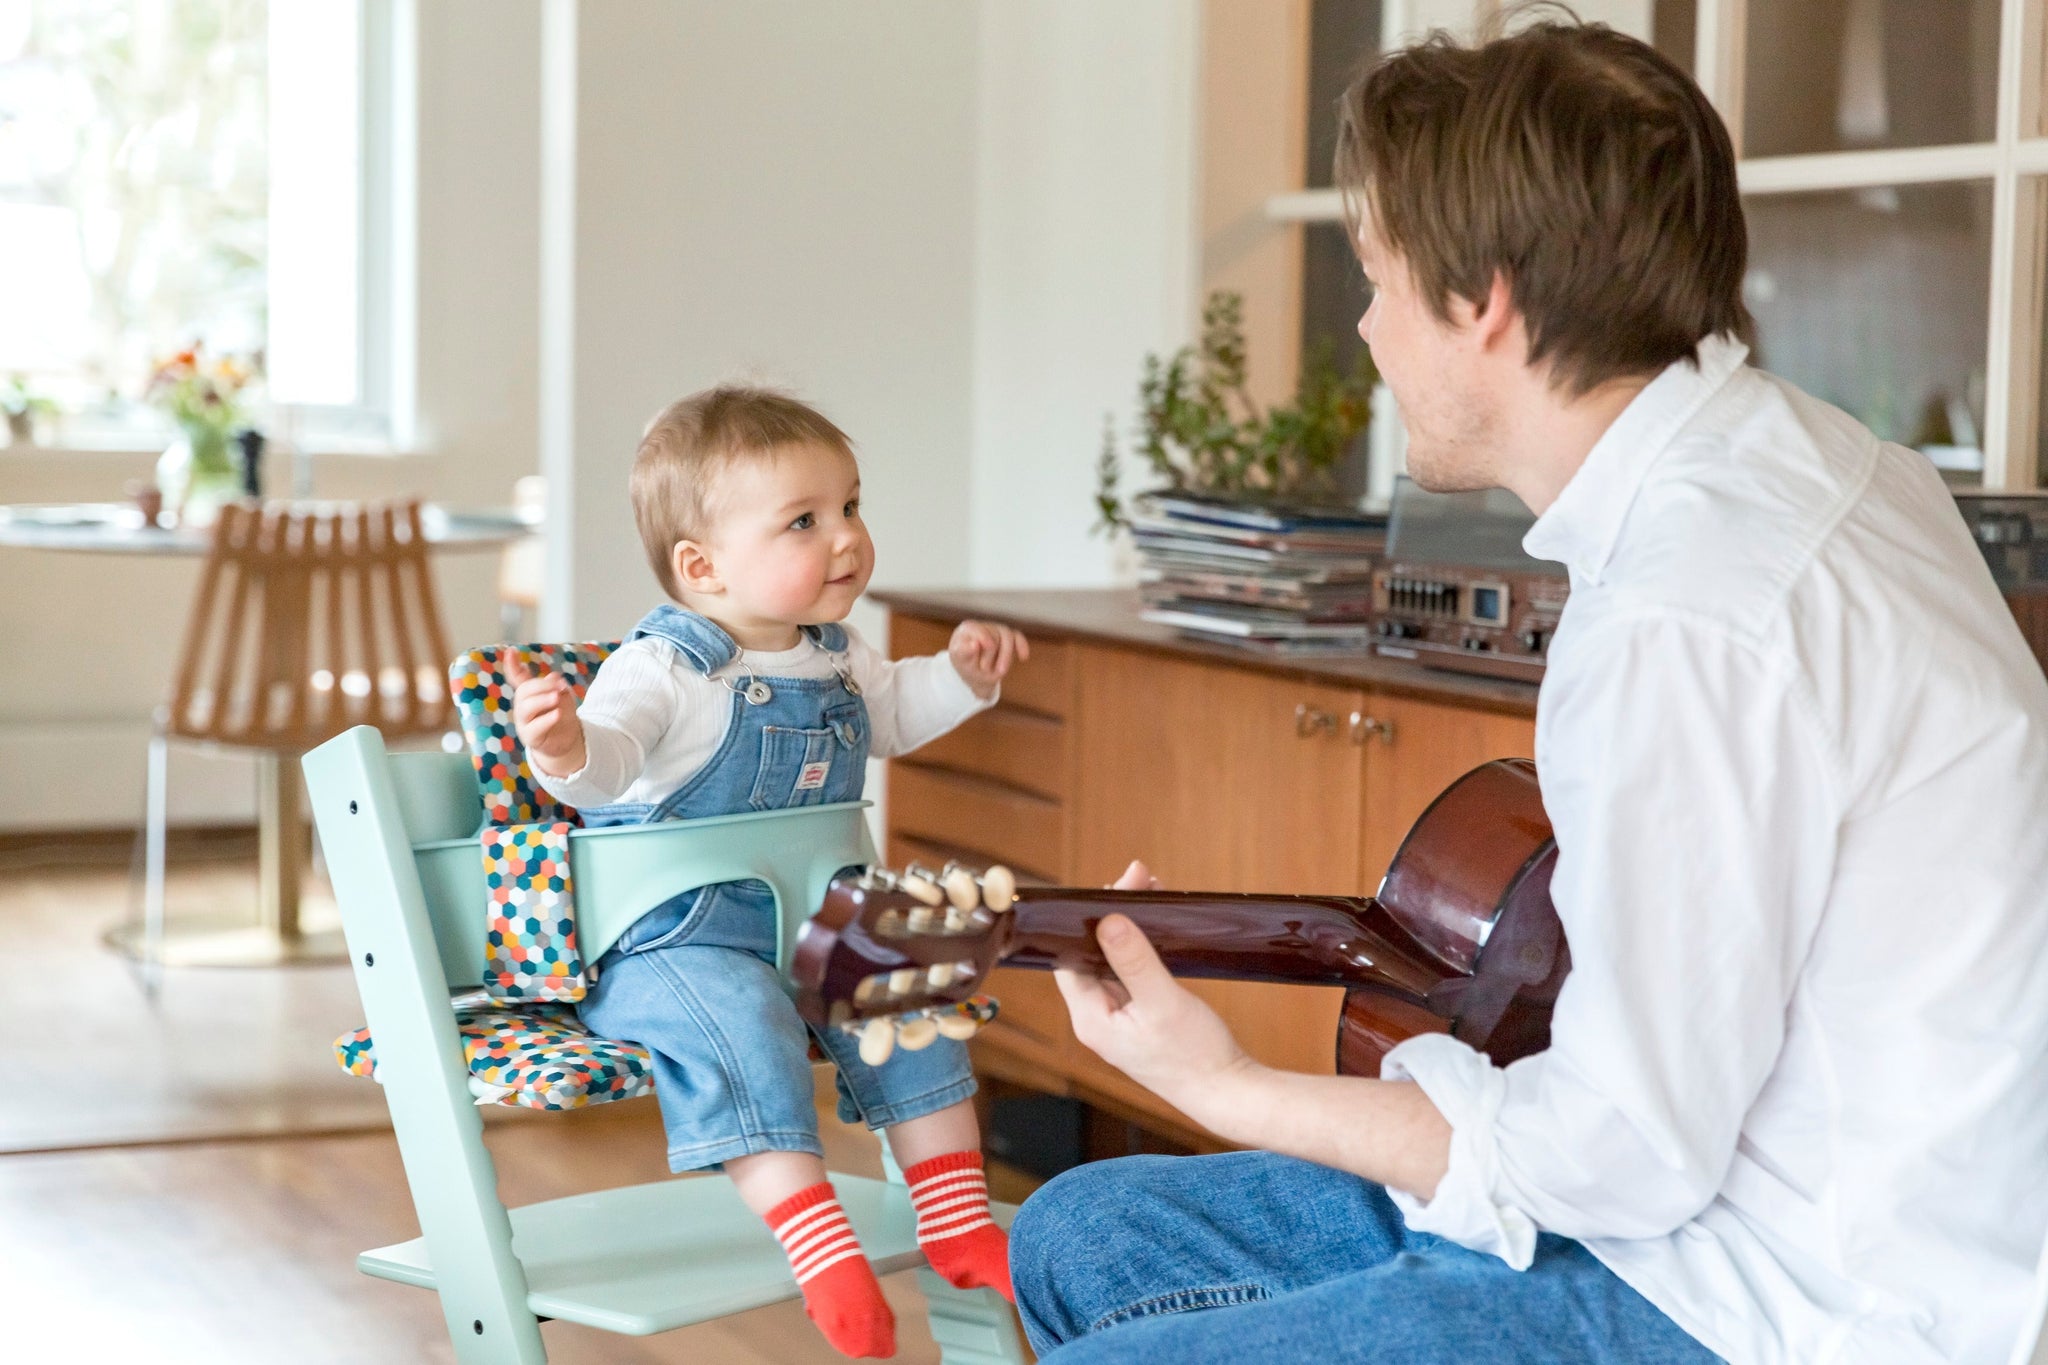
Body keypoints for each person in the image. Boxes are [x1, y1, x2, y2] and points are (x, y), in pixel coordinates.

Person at [1010, 18, 2048, 1365]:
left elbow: (1619, 1153)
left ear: (1482, 298)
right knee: (1080, 1233)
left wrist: (1226, 1086)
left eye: (1377, 280)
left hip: (1797, 1306)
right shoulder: (1833, 463)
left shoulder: (1689, 610)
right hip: (1721, 1205)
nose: (1372, 329)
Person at [502, 385, 1028, 1359]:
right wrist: (567, 743)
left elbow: (897, 718)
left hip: (815, 923)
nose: (845, 540)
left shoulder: (836, 657)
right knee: (737, 1020)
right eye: (803, 522)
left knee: (910, 983)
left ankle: (954, 1217)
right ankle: (817, 1244)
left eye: (850, 507)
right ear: (700, 567)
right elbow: (609, 762)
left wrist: (962, 674)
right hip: (674, 943)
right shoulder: (667, 667)